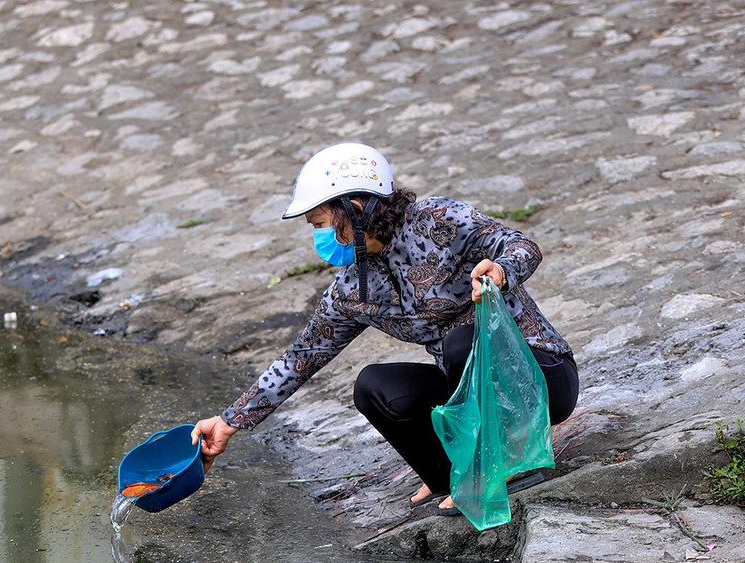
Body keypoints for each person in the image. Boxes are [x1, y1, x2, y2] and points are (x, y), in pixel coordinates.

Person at [192, 143, 578, 514]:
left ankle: (507, 462)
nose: (319, 238)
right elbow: (301, 358)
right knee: (374, 386)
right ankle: (450, 475)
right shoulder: (352, 288)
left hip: (539, 377)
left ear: (355, 209)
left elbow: (521, 244)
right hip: (467, 387)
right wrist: (227, 422)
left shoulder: (437, 219)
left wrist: (501, 271)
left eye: (321, 224)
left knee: (463, 341)